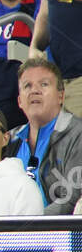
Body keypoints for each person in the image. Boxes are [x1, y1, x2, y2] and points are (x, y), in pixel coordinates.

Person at [6, 58, 82, 215]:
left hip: (56, 229)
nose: (34, 90)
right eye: (27, 86)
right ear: (19, 101)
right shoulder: (8, 140)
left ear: (61, 96)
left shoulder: (78, 134)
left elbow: (70, 200)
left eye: (44, 84)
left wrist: (29, 225)